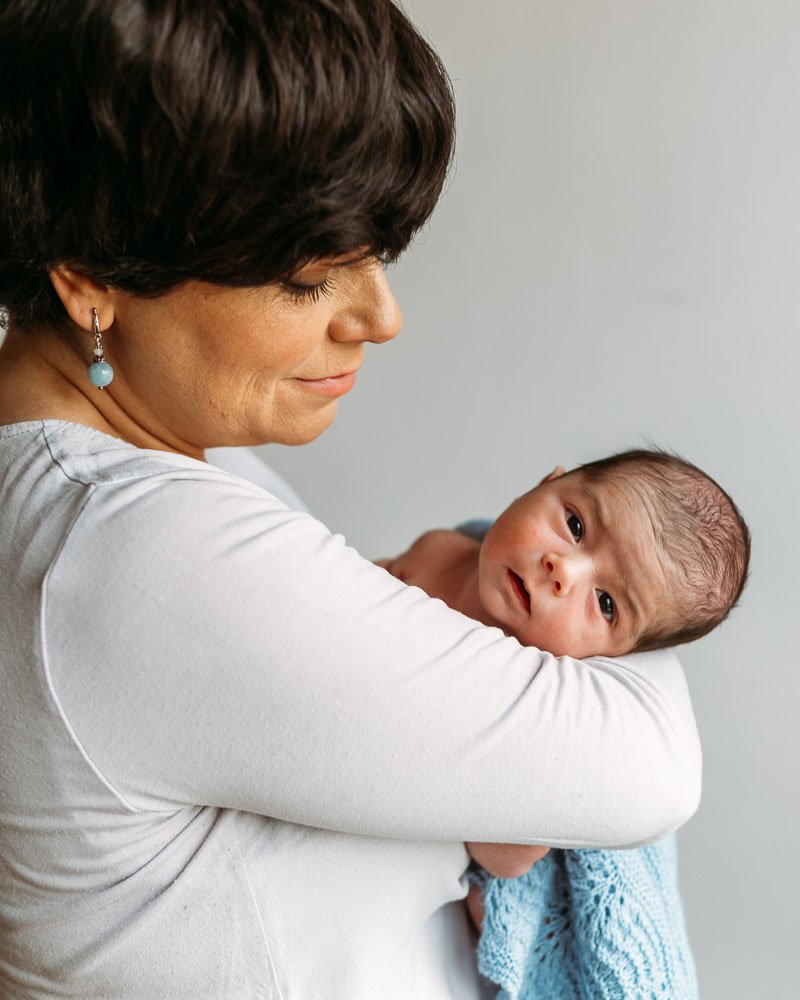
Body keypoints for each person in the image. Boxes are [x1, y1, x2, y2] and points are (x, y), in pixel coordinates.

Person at [0, 3, 701, 998]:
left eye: (378, 250)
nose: (380, 315)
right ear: (90, 278)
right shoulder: (138, 550)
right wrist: (634, 589)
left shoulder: (158, 482)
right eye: (307, 275)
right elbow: (646, 768)